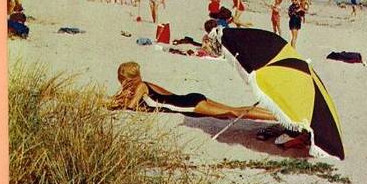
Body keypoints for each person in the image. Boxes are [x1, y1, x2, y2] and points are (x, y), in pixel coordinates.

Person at [109, 62, 275, 120]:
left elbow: (131, 107)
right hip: (189, 98)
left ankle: (274, 118)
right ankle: (275, 115)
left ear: (126, 80)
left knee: (231, 112)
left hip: (189, 105)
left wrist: (120, 101)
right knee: (234, 108)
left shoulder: (140, 87)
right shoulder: (145, 84)